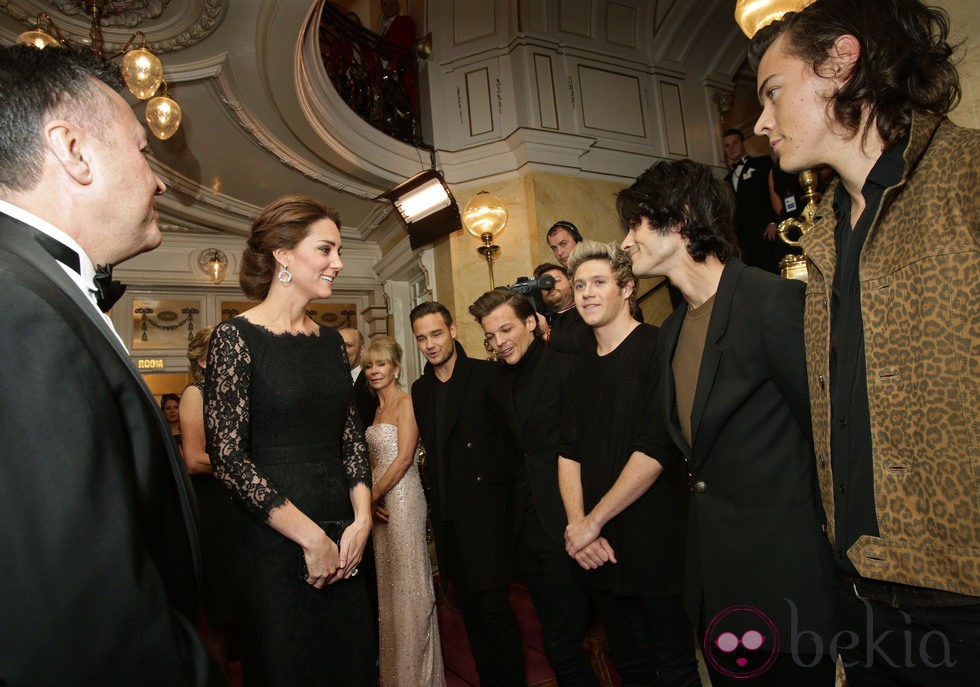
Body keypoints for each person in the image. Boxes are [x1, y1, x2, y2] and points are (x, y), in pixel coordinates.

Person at [750, 1, 979, 682]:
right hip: (861, 596)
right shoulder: (819, 238)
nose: (761, 122)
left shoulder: (968, 178)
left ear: (840, 63)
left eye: (772, 91)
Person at [0, 44, 220, 684]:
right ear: (72, 151)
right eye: (142, 149)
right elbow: (82, 628)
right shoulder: (19, 307)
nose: (157, 179)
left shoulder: (35, 287)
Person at [618, 159, 837, 685]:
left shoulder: (772, 302)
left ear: (685, 216)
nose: (625, 242)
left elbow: (828, 437)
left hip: (785, 581)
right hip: (717, 589)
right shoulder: (670, 334)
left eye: (637, 224)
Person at [205, 195, 375, 685]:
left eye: (338, 251)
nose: (338, 264)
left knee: (352, 665)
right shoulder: (235, 338)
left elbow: (350, 439)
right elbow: (229, 460)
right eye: (326, 250)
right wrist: (311, 538)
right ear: (283, 254)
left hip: (344, 536)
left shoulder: (329, 344)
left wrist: (361, 521)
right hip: (275, 538)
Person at [559, 241, 700, 687]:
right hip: (599, 553)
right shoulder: (578, 369)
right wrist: (579, 526)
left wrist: (591, 522)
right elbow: (567, 453)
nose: (586, 293)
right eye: (579, 285)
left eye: (599, 282)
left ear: (627, 288)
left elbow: (657, 447)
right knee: (630, 669)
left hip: (655, 542)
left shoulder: (659, 347)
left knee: (676, 669)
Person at [470, 289, 599, 687]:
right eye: (490, 336)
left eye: (506, 329)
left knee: (565, 644)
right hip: (528, 528)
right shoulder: (497, 382)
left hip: (573, 520)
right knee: (555, 637)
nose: (499, 341)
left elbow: (589, 448)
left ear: (531, 322)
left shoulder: (570, 368)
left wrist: (589, 520)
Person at [410, 301, 526, 687]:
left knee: (494, 607)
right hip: (448, 518)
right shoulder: (420, 389)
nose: (430, 344)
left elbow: (514, 445)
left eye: (436, 334)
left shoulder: (487, 374)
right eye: (422, 338)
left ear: (453, 330)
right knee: (470, 612)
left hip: (486, 514)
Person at [362, 335, 446, 686]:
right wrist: (367, 498)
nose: (374, 371)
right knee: (390, 589)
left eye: (381, 364)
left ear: (396, 368)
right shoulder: (376, 409)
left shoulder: (406, 402)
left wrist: (374, 494)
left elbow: (405, 457)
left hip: (403, 500)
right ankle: (396, 675)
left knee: (411, 588)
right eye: (368, 365)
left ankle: (419, 677)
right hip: (378, 504)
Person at [180, 326, 248, 672]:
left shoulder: (238, 393)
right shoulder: (196, 393)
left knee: (250, 612)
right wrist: (247, 468)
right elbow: (193, 459)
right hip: (215, 511)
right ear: (204, 360)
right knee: (222, 616)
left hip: (244, 508)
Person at [722, 128, 780, 273]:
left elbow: (774, 191)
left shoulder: (762, 163)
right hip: (743, 240)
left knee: (772, 271)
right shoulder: (726, 180)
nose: (732, 148)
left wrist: (774, 221)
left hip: (765, 231)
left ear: (742, 144)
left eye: (735, 143)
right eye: (727, 145)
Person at [533, 262, 595, 355]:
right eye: (543, 283)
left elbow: (584, 344)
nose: (549, 285)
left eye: (556, 280)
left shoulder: (588, 310)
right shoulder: (540, 320)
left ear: (571, 282)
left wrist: (547, 334)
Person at [340, 325, 378, 428]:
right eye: (338, 345)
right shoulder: (329, 381)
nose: (342, 350)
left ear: (361, 350)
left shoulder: (374, 381)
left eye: (348, 345)